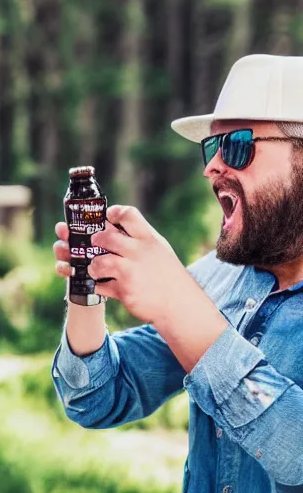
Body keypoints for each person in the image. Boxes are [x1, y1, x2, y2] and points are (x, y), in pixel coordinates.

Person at [51, 53, 303, 492]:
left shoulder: (191, 296)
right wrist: (86, 284)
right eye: (212, 147)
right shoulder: (220, 276)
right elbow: (96, 398)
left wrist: (176, 306)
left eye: (238, 145)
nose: (212, 166)